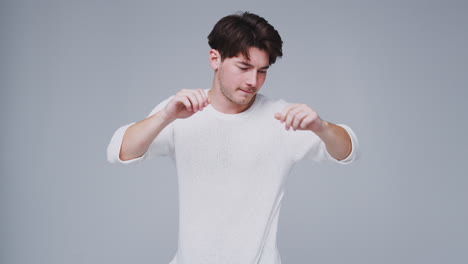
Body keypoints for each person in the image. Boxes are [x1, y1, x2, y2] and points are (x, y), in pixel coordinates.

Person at [107, 11, 359, 264]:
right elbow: (120, 152)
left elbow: (348, 151)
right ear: (215, 59)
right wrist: (165, 116)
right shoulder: (181, 112)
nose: (253, 81)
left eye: (262, 71)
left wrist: (321, 127)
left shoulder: (282, 118)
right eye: (244, 67)